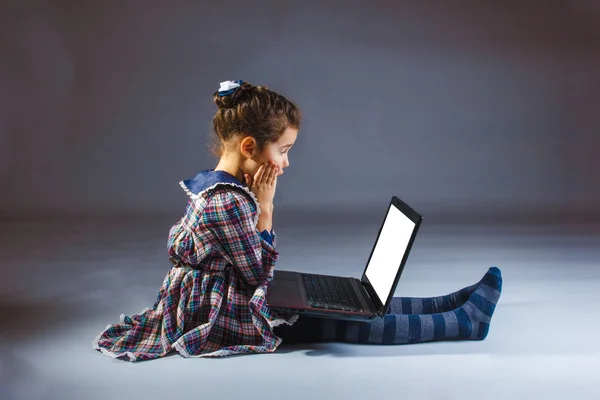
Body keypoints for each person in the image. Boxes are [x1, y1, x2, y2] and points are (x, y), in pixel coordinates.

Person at [93, 80, 503, 361]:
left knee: (356, 301)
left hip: (224, 292)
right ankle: (465, 321)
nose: (286, 163)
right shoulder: (228, 203)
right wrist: (266, 208)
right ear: (250, 147)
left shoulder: (216, 187)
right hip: (226, 311)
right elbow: (257, 273)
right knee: (344, 324)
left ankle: (447, 303)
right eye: (284, 150)